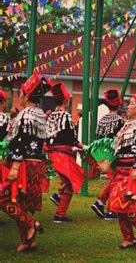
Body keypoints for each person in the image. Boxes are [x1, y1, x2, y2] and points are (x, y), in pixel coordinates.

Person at [0, 71, 51, 252]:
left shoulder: (27, 115)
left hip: (24, 163)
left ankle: (30, 224)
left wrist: (14, 165)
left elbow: (21, 140)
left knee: (4, 197)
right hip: (37, 163)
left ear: (27, 95)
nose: (19, 96)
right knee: (23, 203)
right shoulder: (39, 114)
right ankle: (27, 241)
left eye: (21, 93)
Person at [105, 85, 136, 249]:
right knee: (116, 204)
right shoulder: (127, 124)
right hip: (121, 169)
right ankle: (127, 238)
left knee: (128, 204)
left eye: (131, 103)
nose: (127, 106)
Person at [46, 83, 84, 223]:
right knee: (71, 182)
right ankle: (60, 214)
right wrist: (84, 147)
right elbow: (71, 139)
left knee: (68, 181)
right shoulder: (66, 117)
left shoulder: (50, 116)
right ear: (66, 101)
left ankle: (58, 197)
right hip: (63, 155)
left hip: (51, 154)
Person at [91, 89, 125, 220]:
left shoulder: (102, 120)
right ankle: (110, 208)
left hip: (101, 155)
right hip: (113, 155)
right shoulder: (120, 121)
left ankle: (100, 202)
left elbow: (98, 138)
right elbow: (119, 140)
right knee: (117, 181)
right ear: (119, 104)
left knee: (115, 180)